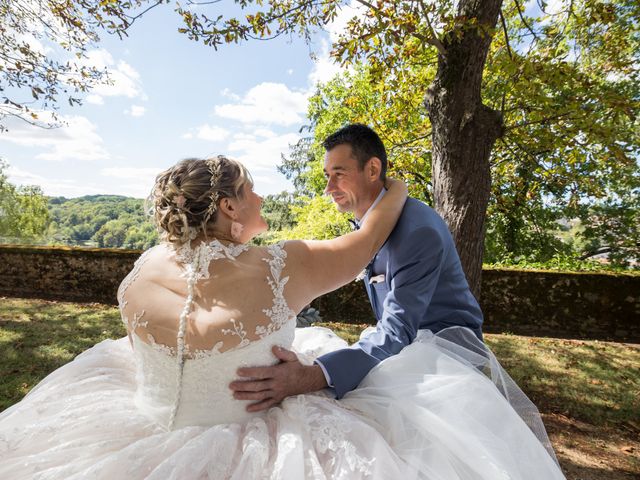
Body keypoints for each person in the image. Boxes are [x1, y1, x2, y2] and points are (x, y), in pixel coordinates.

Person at [0, 155, 565, 479]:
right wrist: (392, 185)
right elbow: (368, 240)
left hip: (136, 428)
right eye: (251, 191)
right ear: (227, 206)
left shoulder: (144, 267)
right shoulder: (281, 266)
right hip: (257, 445)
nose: (262, 198)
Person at [231, 123, 484, 402]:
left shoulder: (416, 232)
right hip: (403, 347)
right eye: (328, 176)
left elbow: (398, 331)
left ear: (373, 170)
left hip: (443, 361)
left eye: (339, 175)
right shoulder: (371, 224)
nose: (329, 188)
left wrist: (312, 376)